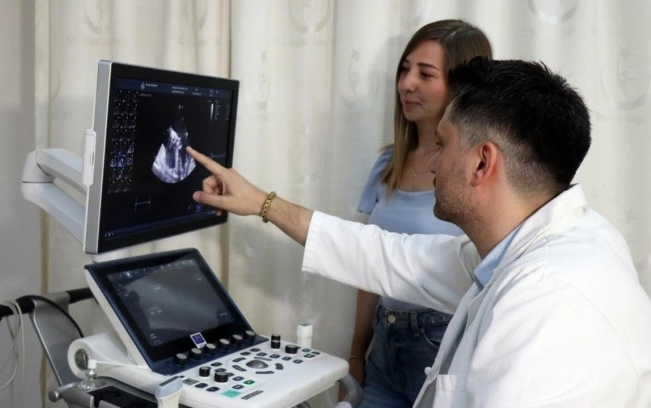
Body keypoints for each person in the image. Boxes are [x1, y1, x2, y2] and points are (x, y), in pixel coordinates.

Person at [186, 58, 651, 406]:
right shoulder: (533, 248)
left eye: (442, 145)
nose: (432, 162)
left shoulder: (548, 301)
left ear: (482, 163)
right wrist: (263, 204)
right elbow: (387, 256)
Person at [346, 19, 491, 407]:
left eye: (425, 74)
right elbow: (370, 264)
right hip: (384, 348)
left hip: (443, 347)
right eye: (405, 70)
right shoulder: (387, 165)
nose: (406, 84)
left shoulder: (477, 174)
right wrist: (356, 354)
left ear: (460, 87)